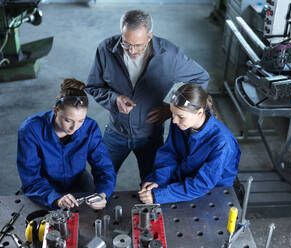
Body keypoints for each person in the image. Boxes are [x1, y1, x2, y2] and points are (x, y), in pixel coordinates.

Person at [86, 10, 209, 181]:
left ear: (150, 37)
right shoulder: (106, 50)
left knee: (151, 184)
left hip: (150, 135)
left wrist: (171, 109)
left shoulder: (169, 55)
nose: (132, 50)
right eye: (126, 43)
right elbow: (93, 86)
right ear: (121, 33)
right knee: (100, 181)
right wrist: (115, 99)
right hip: (116, 132)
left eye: (138, 45)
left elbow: (201, 78)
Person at [17, 78, 116, 209]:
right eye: (68, 120)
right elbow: (30, 178)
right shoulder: (31, 130)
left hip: (79, 182)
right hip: (42, 187)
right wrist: (55, 198)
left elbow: (103, 167)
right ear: (55, 111)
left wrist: (103, 194)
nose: (74, 127)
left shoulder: (90, 128)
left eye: (81, 120)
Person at [138, 83, 240, 204]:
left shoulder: (222, 143)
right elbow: (170, 154)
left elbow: (202, 184)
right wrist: (158, 180)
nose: (174, 120)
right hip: (185, 182)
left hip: (213, 191)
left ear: (199, 113)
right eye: (172, 114)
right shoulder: (182, 123)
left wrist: (159, 195)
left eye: (180, 116)